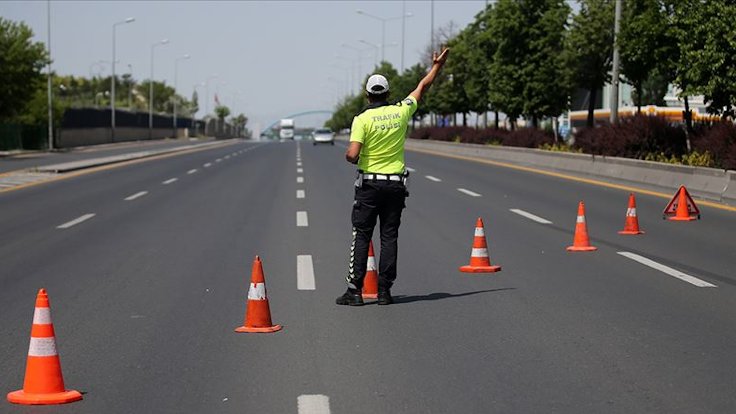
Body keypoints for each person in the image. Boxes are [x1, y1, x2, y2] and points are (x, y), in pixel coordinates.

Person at [336, 47, 450, 306]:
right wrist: (437, 66)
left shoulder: (362, 119)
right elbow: (422, 87)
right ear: (387, 93)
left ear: (367, 95)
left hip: (369, 185)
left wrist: (353, 153)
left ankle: (354, 290)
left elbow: (353, 155)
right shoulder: (401, 111)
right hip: (396, 186)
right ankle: (385, 291)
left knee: (362, 234)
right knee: (389, 236)